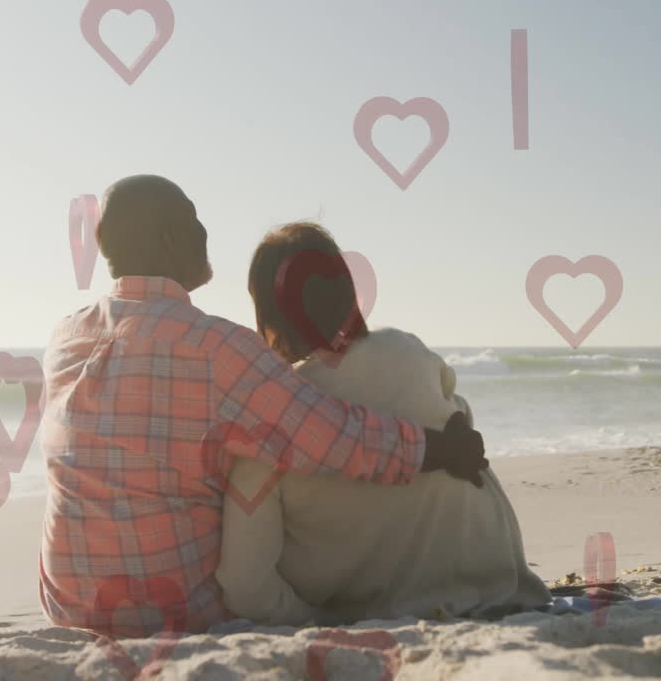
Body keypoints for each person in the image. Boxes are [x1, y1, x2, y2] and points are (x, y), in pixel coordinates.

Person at [38, 175, 489, 638]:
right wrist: (440, 450)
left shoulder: (65, 338)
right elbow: (332, 437)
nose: (205, 232)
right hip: (176, 615)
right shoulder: (217, 348)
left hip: (70, 612)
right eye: (195, 219)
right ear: (171, 237)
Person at [215, 222, 550, 625]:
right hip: (504, 591)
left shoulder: (273, 415)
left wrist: (316, 619)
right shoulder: (406, 351)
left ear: (266, 310)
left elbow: (245, 586)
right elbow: (460, 419)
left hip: (382, 614)